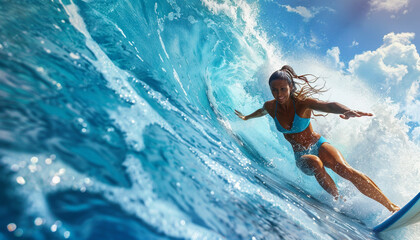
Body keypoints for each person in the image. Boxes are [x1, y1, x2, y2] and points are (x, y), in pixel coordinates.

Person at [234, 65, 400, 212]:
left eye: (283, 89)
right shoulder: (270, 106)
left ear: (290, 87)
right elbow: (261, 111)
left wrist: (347, 110)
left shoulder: (303, 103)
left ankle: (390, 206)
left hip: (318, 143)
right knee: (315, 162)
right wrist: (246, 118)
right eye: (275, 90)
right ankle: (339, 200)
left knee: (344, 169)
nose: (279, 94)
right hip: (301, 155)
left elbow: (328, 105)